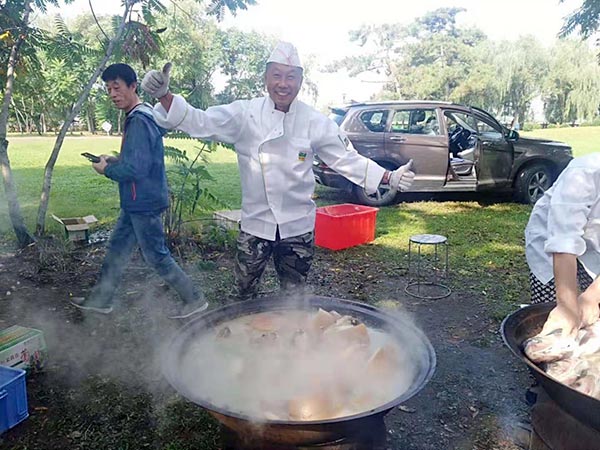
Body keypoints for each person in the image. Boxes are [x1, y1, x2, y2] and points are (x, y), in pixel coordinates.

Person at [141, 42, 415, 301]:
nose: (283, 84)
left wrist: (389, 177)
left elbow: (345, 158)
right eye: (277, 75)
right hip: (255, 225)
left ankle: (291, 344)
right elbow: (200, 121)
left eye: (291, 77)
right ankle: (236, 347)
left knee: (294, 298)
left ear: (300, 81)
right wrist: (165, 96)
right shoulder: (244, 114)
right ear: (266, 78)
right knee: (242, 292)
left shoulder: (314, 121)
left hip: (297, 227)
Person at [70, 63, 207, 319]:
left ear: (133, 86)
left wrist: (106, 170)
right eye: (108, 89)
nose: (112, 93)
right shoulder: (142, 115)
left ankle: (194, 298)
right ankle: (100, 300)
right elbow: (137, 159)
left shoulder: (139, 120)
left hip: (143, 202)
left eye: (117, 87)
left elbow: (136, 169)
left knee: (156, 256)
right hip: (136, 202)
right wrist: (114, 160)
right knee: (117, 251)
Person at [525, 153, 600, 336]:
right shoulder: (584, 172)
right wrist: (567, 306)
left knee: (591, 308)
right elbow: (563, 241)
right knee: (555, 312)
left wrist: (592, 296)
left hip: (594, 248)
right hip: (551, 243)